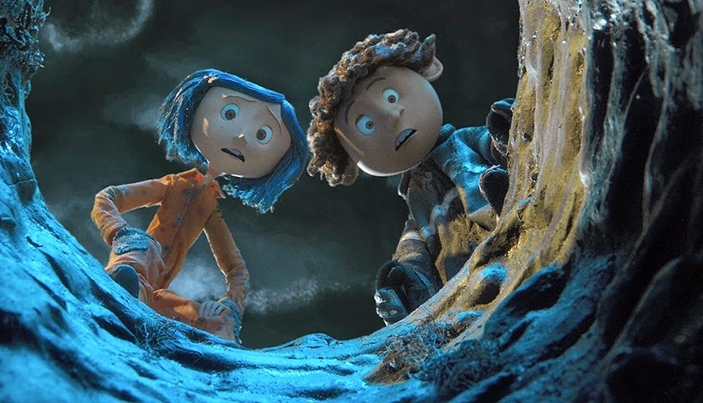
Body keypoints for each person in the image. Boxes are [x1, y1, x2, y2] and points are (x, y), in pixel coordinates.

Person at [307, 29, 513, 325]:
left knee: (500, 167)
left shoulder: (465, 142)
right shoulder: (418, 206)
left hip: (510, 234)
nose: (390, 116)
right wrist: (402, 287)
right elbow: (414, 255)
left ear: (427, 72)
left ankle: (503, 200)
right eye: (366, 124)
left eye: (390, 96)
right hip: (471, 287)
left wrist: (506, 131)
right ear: (350, 163)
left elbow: (499, 144)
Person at [92, 69, 308, 342]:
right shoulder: (172, 185)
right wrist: (121, 234)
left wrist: (230, 304)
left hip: (154, 298)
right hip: (134, 267)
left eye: (262, 134)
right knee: (145, 249)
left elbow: (237, 270)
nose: (242, 137)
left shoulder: (210, 211)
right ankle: (123, 287)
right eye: (230, 114)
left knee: (217, 320)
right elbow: (106, 198)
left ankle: (224, 351)